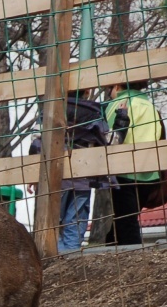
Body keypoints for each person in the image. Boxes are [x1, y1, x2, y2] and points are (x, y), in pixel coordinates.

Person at [29, 91, 110, 252]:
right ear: (87, 92)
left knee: (52, 225)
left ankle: (56, 260)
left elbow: (36, 142)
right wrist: (122, 118)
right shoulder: (94, 112)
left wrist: (33, 174)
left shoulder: (50, 110)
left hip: (53, 177)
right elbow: (108, 141)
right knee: (76, 223)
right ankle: (70, 260)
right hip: (82, 178)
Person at [103, 80, 164, 246]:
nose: (109, 94)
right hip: (148, 173)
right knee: (124, 218)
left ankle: (134, 255)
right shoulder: (150, 106)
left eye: (110, 90)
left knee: (126, 222)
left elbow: (108, 139)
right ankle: (109, 249)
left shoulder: (117, 105)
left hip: (124, 173)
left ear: (117, 86)